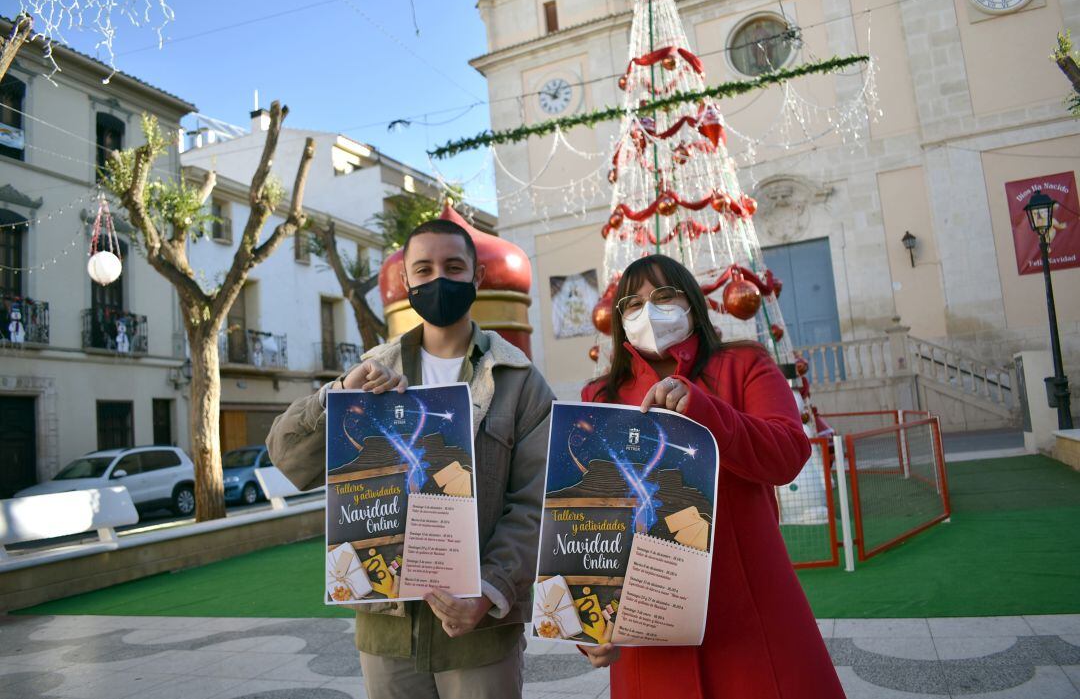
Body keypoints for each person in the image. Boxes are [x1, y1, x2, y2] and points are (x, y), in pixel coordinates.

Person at [266, 219, 554, 699]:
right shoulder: (373, 372)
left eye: (454, 266)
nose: (438, 279)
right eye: (424, 268)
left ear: (477, 277)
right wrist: (338, 394)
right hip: (388, 632)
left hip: (478, 634)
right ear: (407, 282)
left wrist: (488, 590)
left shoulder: (518, 379)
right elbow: (288, 457)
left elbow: (536, 502)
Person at [577, 254, 845, 699]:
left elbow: (786, 453)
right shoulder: (600, 396)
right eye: (633, 303)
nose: (649, 311)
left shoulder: (744, 365)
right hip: (649, 625)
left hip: (751, 615)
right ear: (620, 319)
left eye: (664, 296)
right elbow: (589, 517)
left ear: (692, 304)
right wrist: (587, 627)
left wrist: (702, 410)